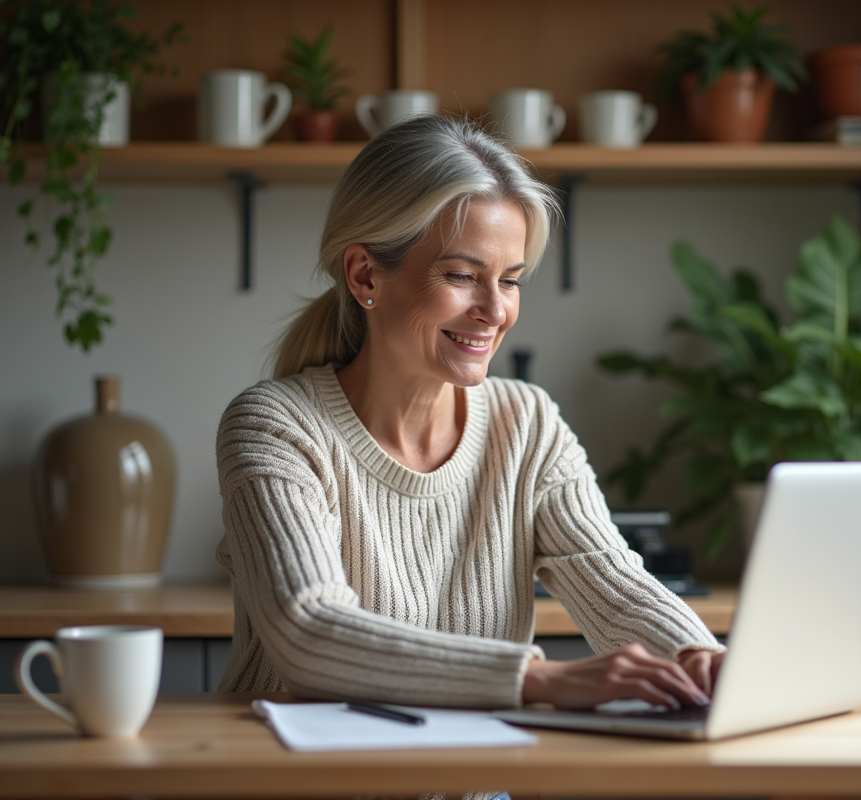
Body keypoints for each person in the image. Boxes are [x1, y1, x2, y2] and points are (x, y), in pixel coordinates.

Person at [215, 115, 724, 711]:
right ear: (364, 275)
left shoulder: (526, 423)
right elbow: (308, 633)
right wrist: (538, 681)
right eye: (461, 276)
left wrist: (697, 655)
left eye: (509, 281)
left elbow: (611, 580)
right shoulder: (276, 425)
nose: (495, 311)